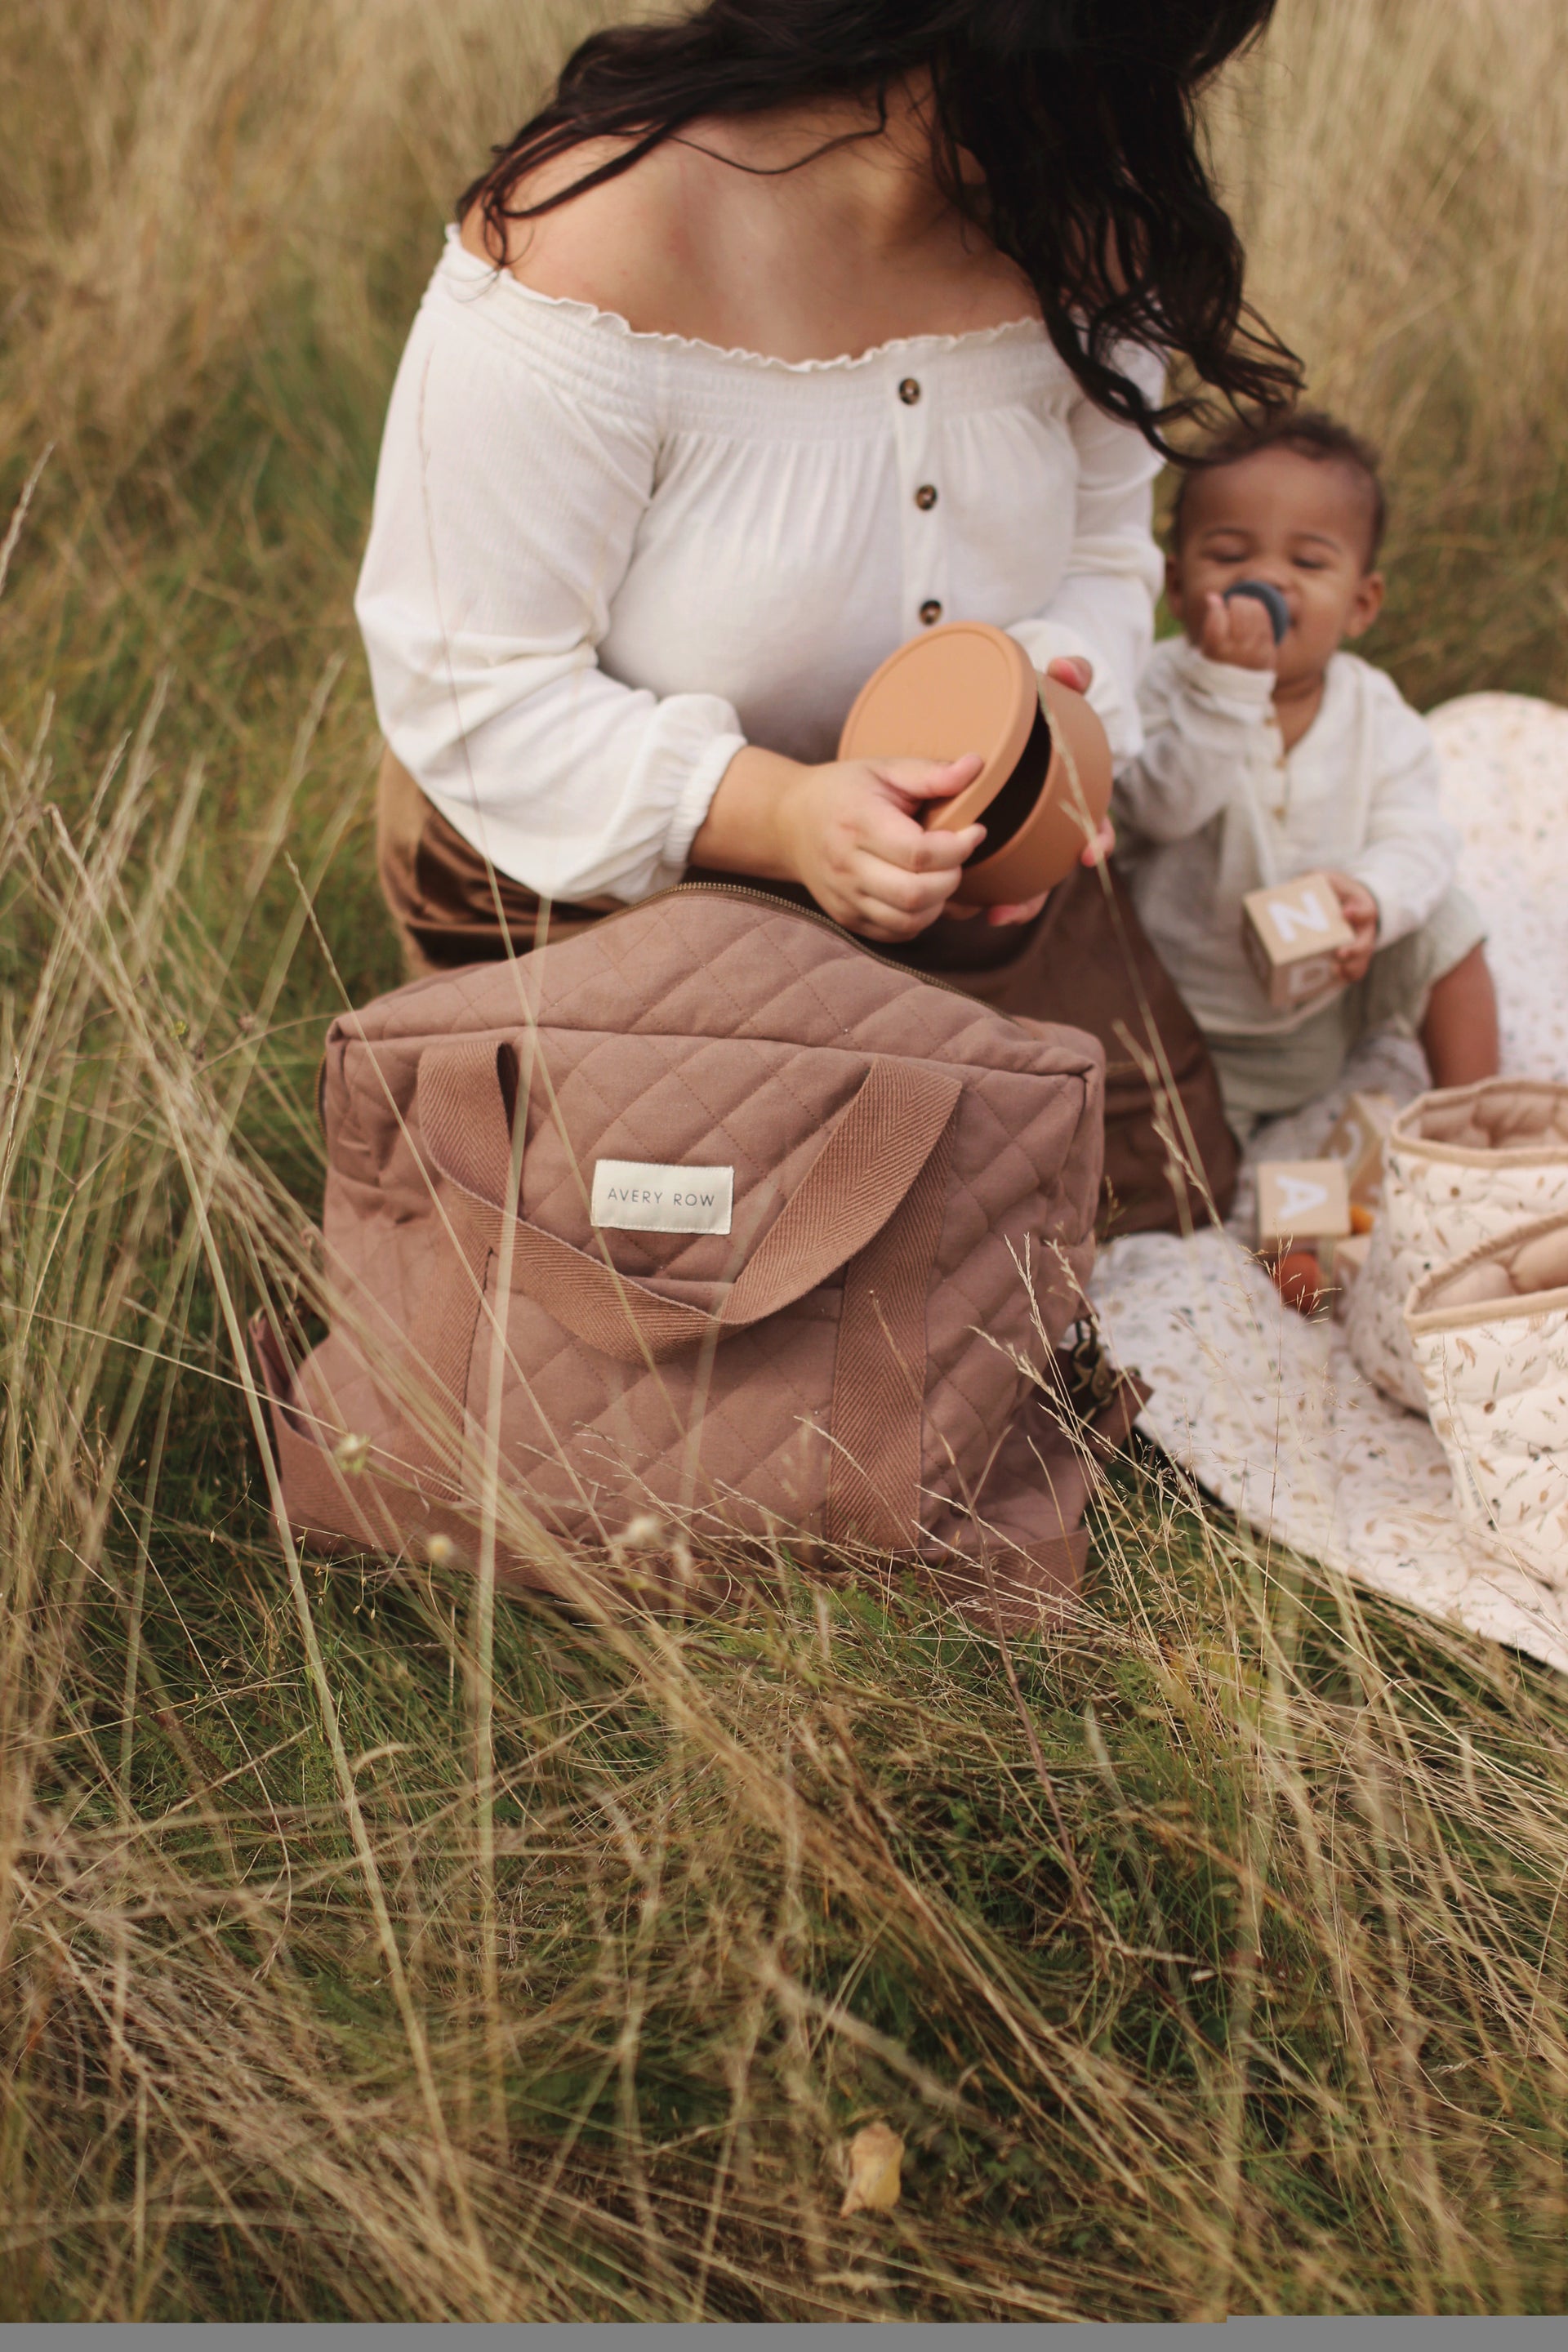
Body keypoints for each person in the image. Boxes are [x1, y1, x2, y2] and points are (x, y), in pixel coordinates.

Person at [356, 0, 1303, 1231]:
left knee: (1158, 1203)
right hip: (614, 894)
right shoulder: (596, 238)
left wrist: (1043, 757)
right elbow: (475, 691)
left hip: (966, 888)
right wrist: (789, 814)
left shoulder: (1091, 227)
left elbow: (1103, 558)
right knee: (741, 1283)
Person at [1112, 410, 1499, 1140]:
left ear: (1361, 604)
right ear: (1174, 584)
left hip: (1328, 1007)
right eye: (1228, 555)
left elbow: (1419, 836)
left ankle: (1473, 1119)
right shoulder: (1158, 688)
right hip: (1182, 1026)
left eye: (1309, 564)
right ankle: (1251, 1214)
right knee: (1195, 1174)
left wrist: (1373, 901)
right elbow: (1157, 810)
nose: (1266, 580)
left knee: (1448, 921)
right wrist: (1228, 692)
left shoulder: (1374, 711)